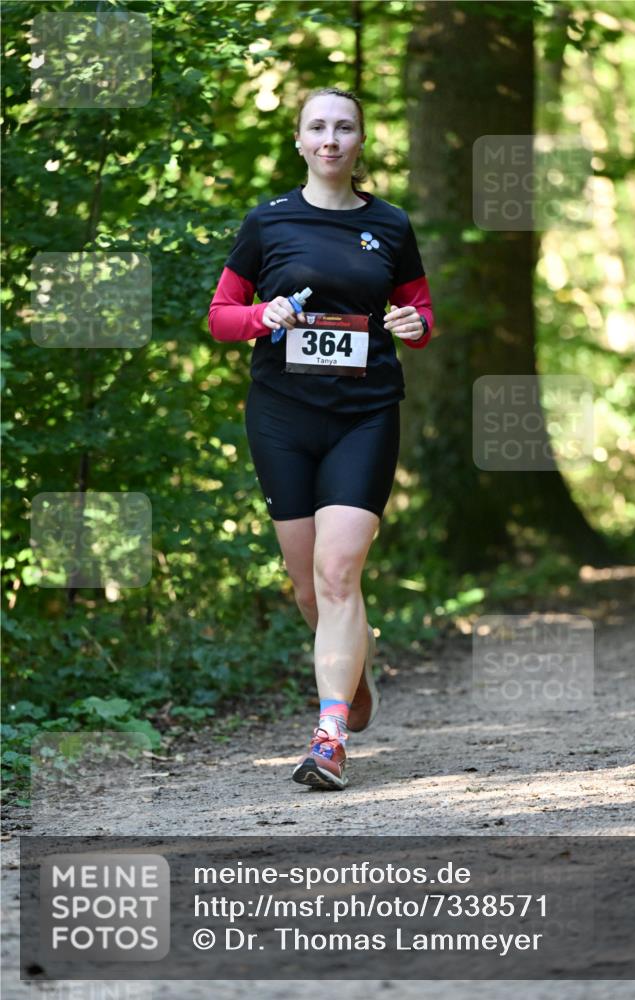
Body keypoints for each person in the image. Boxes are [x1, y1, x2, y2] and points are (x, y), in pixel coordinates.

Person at [208, 86, 434, 791]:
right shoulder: (267, 222)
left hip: (364, 413)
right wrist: (261, 317)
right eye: (318, 127)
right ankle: (354, 683)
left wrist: (412, 327)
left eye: (344, 127)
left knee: (339, 573)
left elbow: (419, 311)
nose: (331, 138)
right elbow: (220, 314)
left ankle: (329, 733)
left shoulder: (390, 225)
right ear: (300, 141)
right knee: (310, 590)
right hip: (281, 415)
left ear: (360, 141)